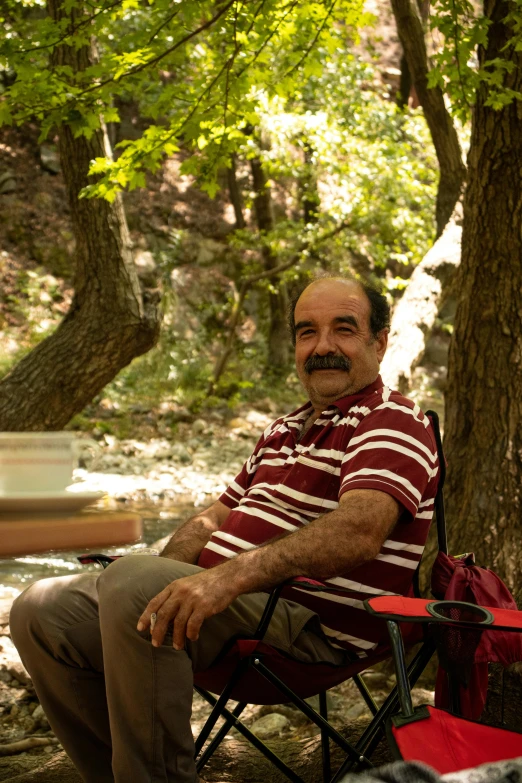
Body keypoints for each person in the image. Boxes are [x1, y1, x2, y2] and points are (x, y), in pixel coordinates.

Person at [10, 276, 439, 783]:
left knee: (133, 586)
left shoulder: (393, 420)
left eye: (343, 330)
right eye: (307, 332)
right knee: (40, 610)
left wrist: (223, 578)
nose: (322, 347)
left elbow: (359, 532)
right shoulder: (282, 429)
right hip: (235, 615)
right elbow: (215, 515)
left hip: (307, 631)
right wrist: (164, 567)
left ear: (379, 341)